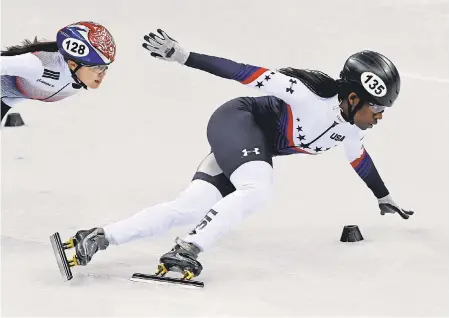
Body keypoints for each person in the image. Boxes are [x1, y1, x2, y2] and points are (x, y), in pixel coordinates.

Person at [64, 29, 414, 280]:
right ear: (354, 98)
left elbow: (359, 160)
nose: (380, 116)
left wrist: (383, 197)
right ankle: (188, 248)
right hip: (237, 121)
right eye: (377, 107)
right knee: (258, 189)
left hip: (251, 148)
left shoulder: (352, 128)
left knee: (189, 206)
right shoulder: (306, 94)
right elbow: (243, 73)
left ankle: (97, 238)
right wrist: (183, 56)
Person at [1, 21, 116, 122]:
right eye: (97, 67)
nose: (103, 73)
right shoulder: (40, 65)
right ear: (72, 64)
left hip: (11, 98)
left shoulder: (81, 77)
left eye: (105, 67)